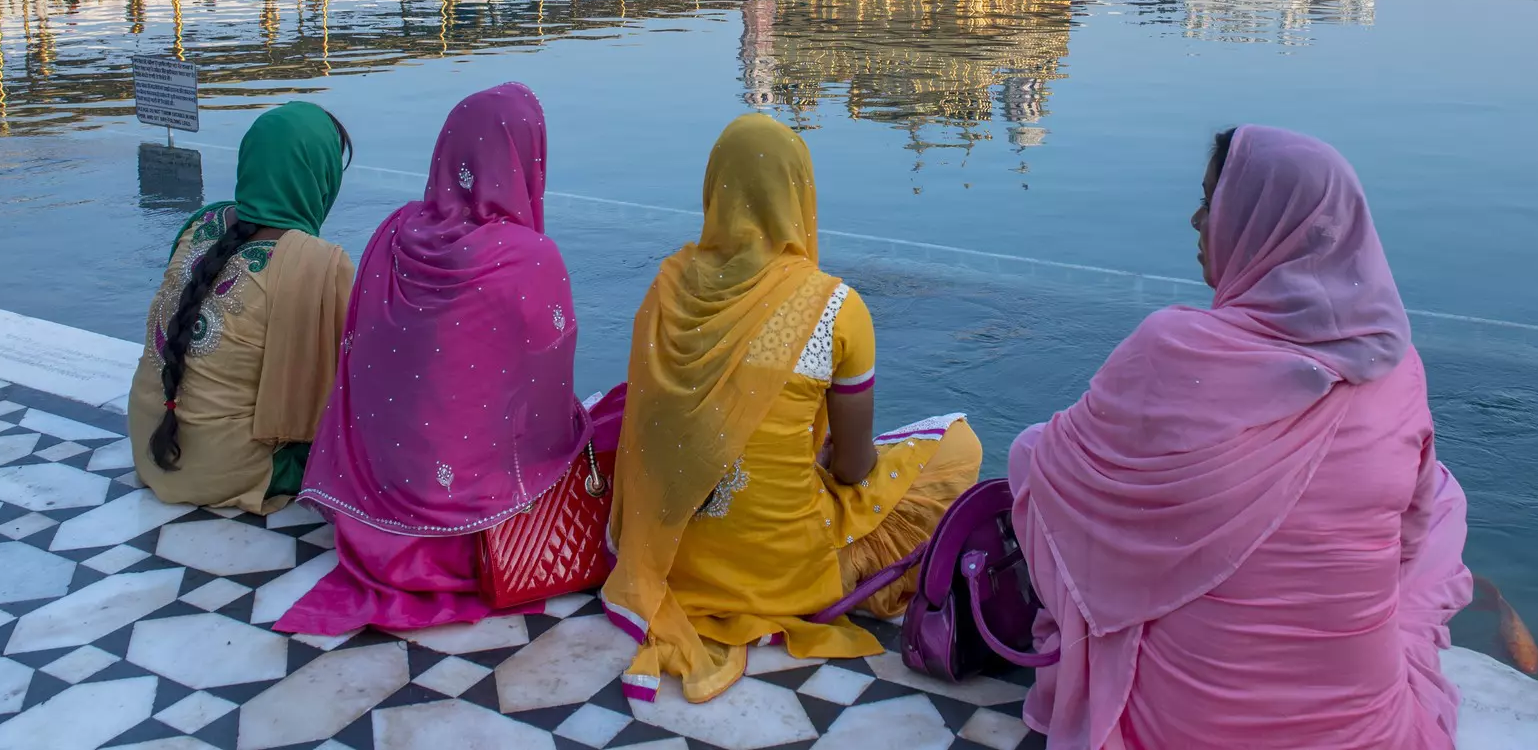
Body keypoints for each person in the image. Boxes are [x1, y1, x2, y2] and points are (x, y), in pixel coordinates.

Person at [1010, 126, 1470, 750]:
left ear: (1263, 223)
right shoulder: (1397, 369)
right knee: (1440, 495)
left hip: (1182, 727)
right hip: (1361, 734)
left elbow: (1056, 480)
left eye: (1213, 202)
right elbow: (1407, 546)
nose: (1198, 220)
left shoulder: (1172, 352)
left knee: (1036, 455)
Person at [604, 113, 982, 705]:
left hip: (665, 561)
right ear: (799, 196)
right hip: (785, 575)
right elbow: (854, 470)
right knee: (959, 444)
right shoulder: (835, 305)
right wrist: (827, 455)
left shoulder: (667, 286)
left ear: (716, 190)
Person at [279, 84, 590, 634]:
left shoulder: (393, 232)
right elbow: (546, 412)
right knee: (602, 422)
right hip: (475, 538)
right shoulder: (530, 260)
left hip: (369, 518)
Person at [127, 102, 357, 513]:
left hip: (149, 441)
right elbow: (344, 386)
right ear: (321, 177)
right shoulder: (318, 261)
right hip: (226, 468)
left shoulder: (202, 223)